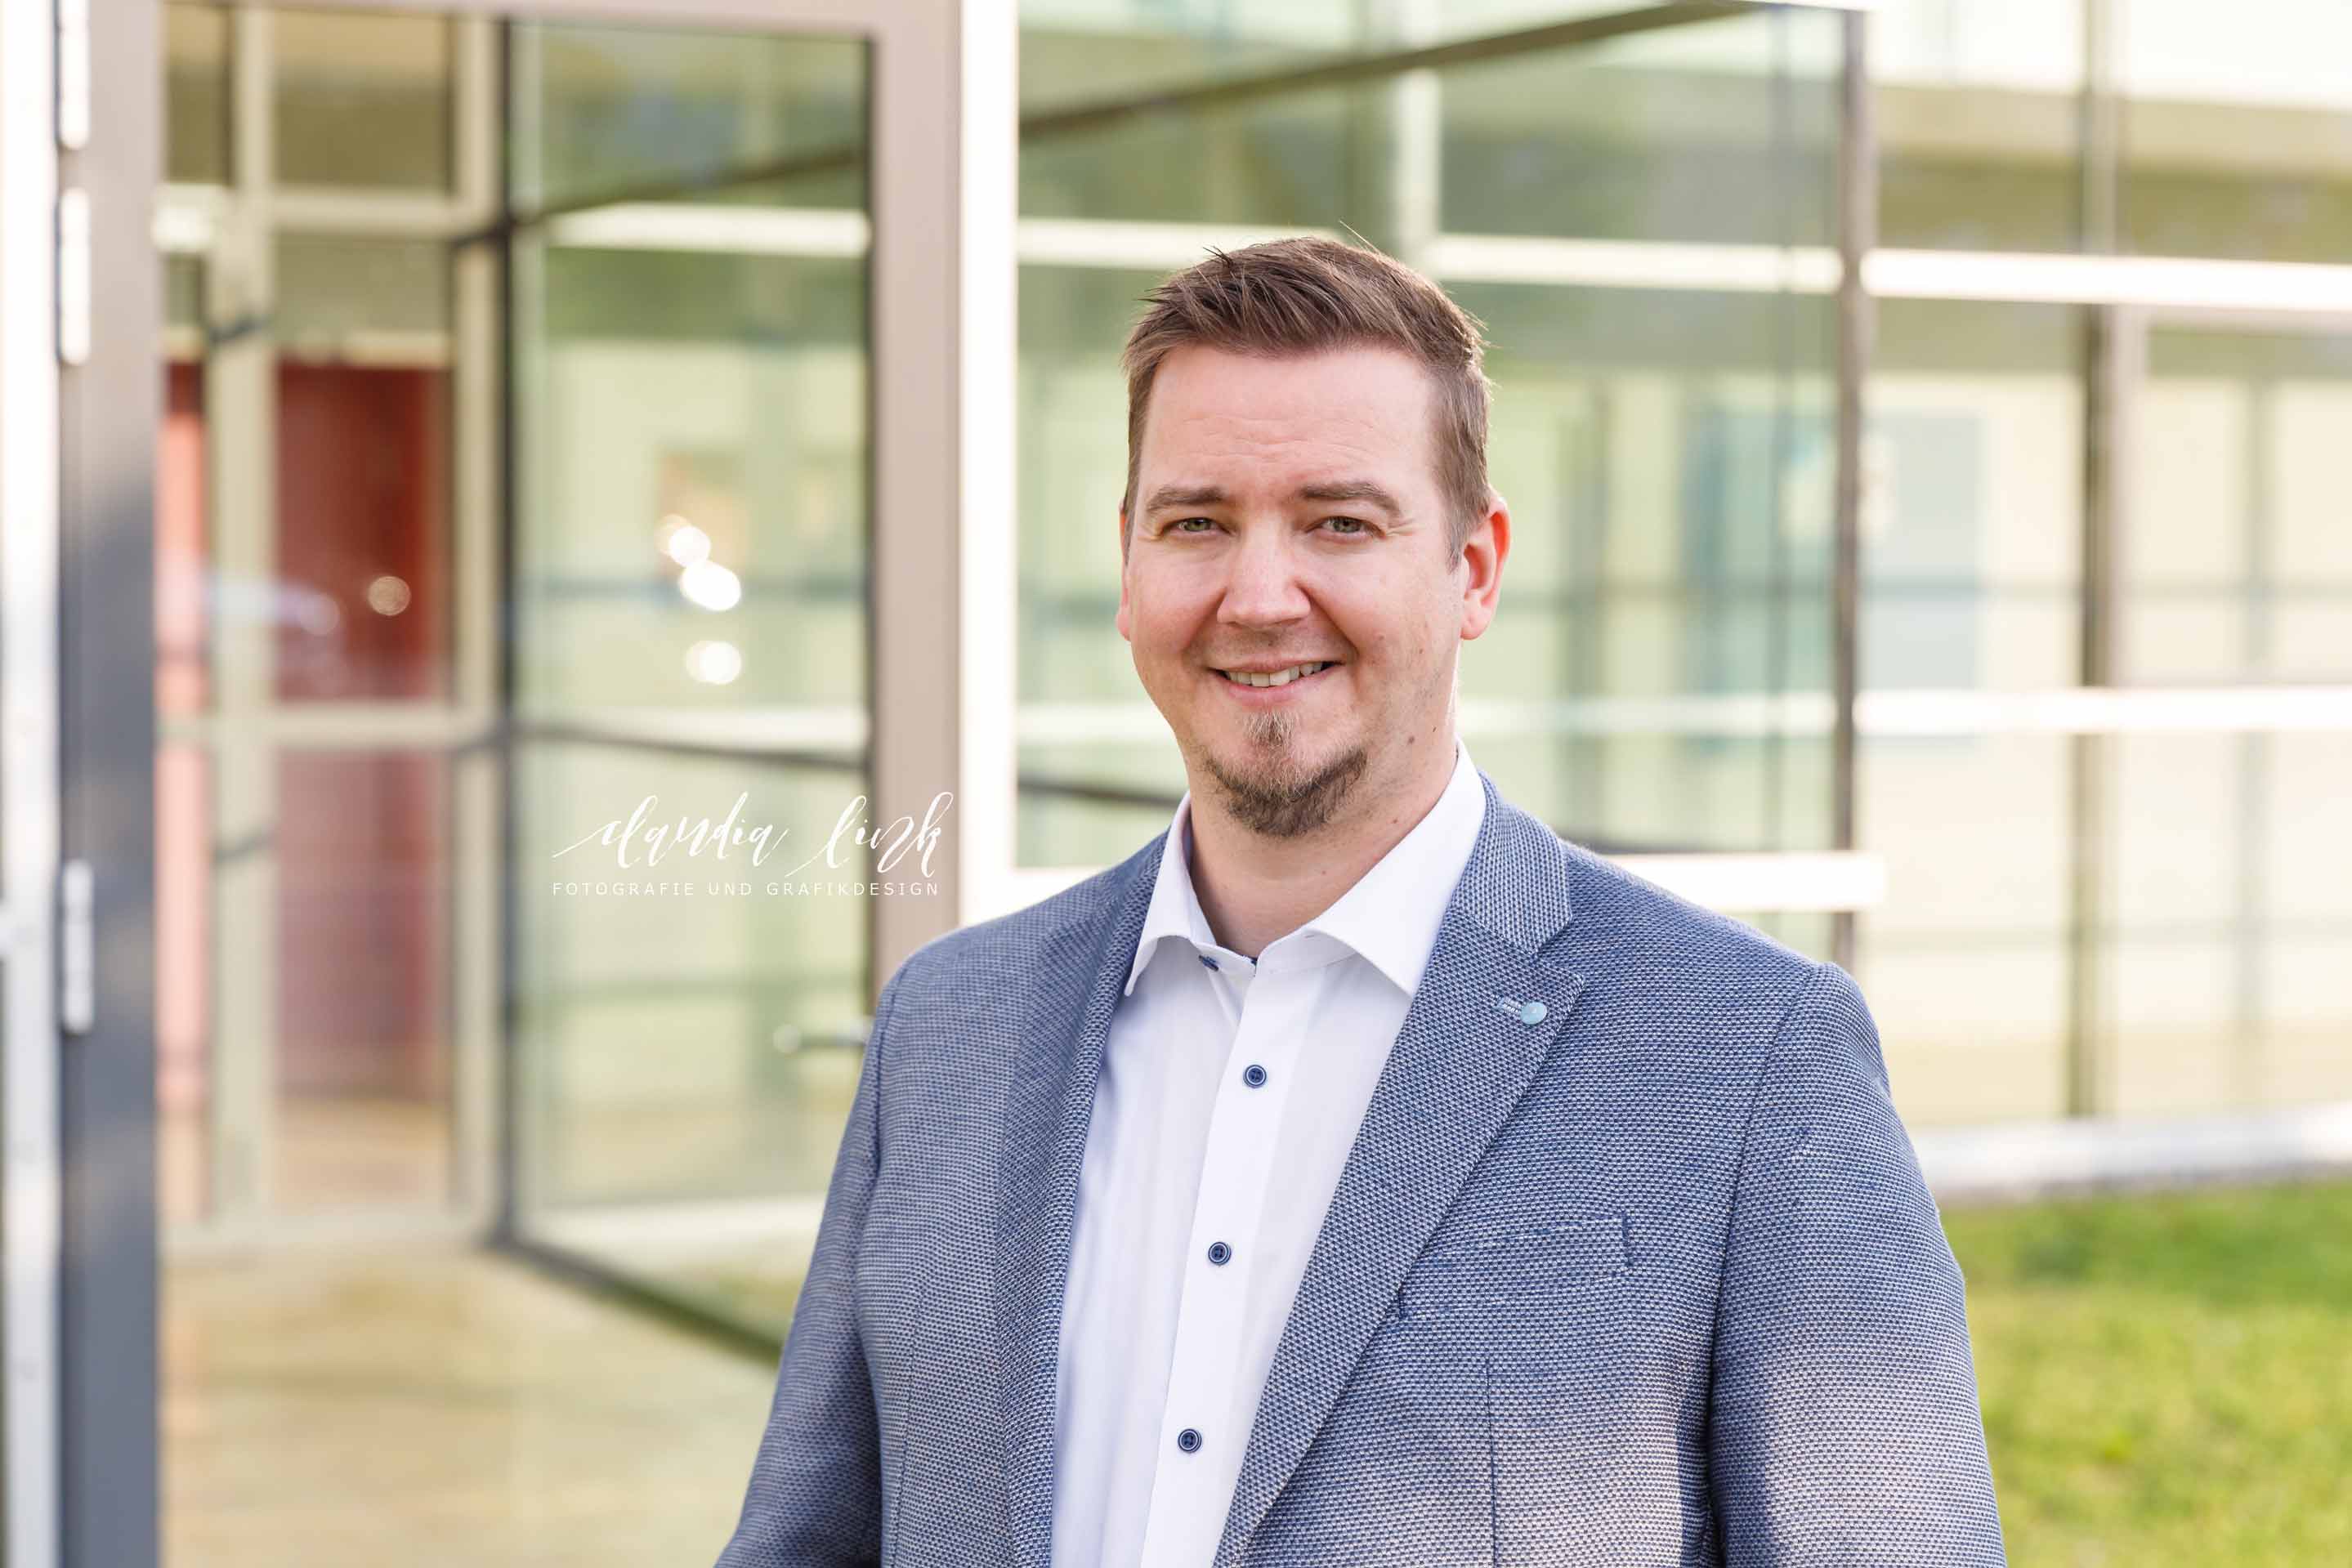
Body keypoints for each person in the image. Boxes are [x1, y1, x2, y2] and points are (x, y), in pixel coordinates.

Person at [717, 235, 2005, 1567]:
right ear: (1127, 565)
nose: (1258, 596)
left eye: (1339, 522)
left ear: (1474, 569)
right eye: (1196, 523)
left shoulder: (1748, 1058)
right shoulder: (950, 1023)